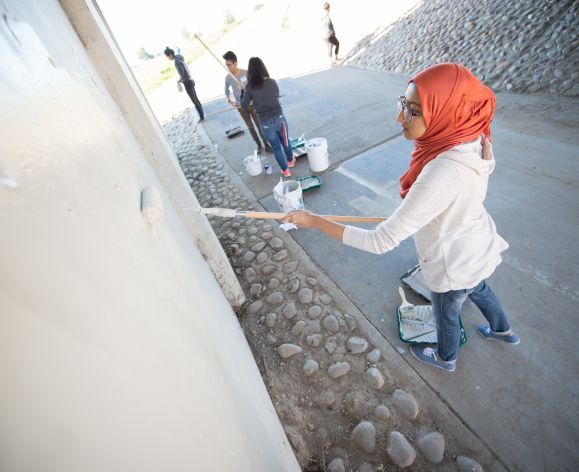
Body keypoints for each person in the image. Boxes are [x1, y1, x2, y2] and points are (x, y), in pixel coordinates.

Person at [283, 63, 520, 373]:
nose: (400, 117)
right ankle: (503, 330)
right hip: (475, 245)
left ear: (444, 110)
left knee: (447, 311)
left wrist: (314, 220)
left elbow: (380, 241)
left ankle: (445, 358)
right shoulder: (471, 135)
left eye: (413, 110)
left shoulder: (442, 171)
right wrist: (421, 210)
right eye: (403, 104)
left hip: (452, 261)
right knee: (479, 288)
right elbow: (450, 197)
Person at [240, 57, 295, 177]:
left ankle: (285, 171)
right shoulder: (272, 81)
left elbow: (243, 106)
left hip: (265, 123)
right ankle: (291, 161)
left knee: (276, 148)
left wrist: (242, 92)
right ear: (262, 68)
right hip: (280, 118)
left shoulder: (249, 88)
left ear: (250, 71)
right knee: (285, 142)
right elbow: (276, 95)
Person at [223, 51, 272, 154]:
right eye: (226, 65)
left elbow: (256, 85)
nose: (228, 67)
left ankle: (266, 144)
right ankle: (258, 145)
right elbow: (226, 90)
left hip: (253, 104)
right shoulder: (228, 78)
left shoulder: (246, 73)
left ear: (235, 63)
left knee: (259, 125)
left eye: (229, 65)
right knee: (250, 127)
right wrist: (229, 99)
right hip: (241, 107)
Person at [164, 47, 204, 121]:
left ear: (170, 55)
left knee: (194, 100)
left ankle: (201, 117)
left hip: (187, 82)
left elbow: (182, 74)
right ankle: (202, 115)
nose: (167, 58)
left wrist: (179, 80)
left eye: (167, 56)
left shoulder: (176, 61)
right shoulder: (179, 57)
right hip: (191, 80)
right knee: (196, 99)